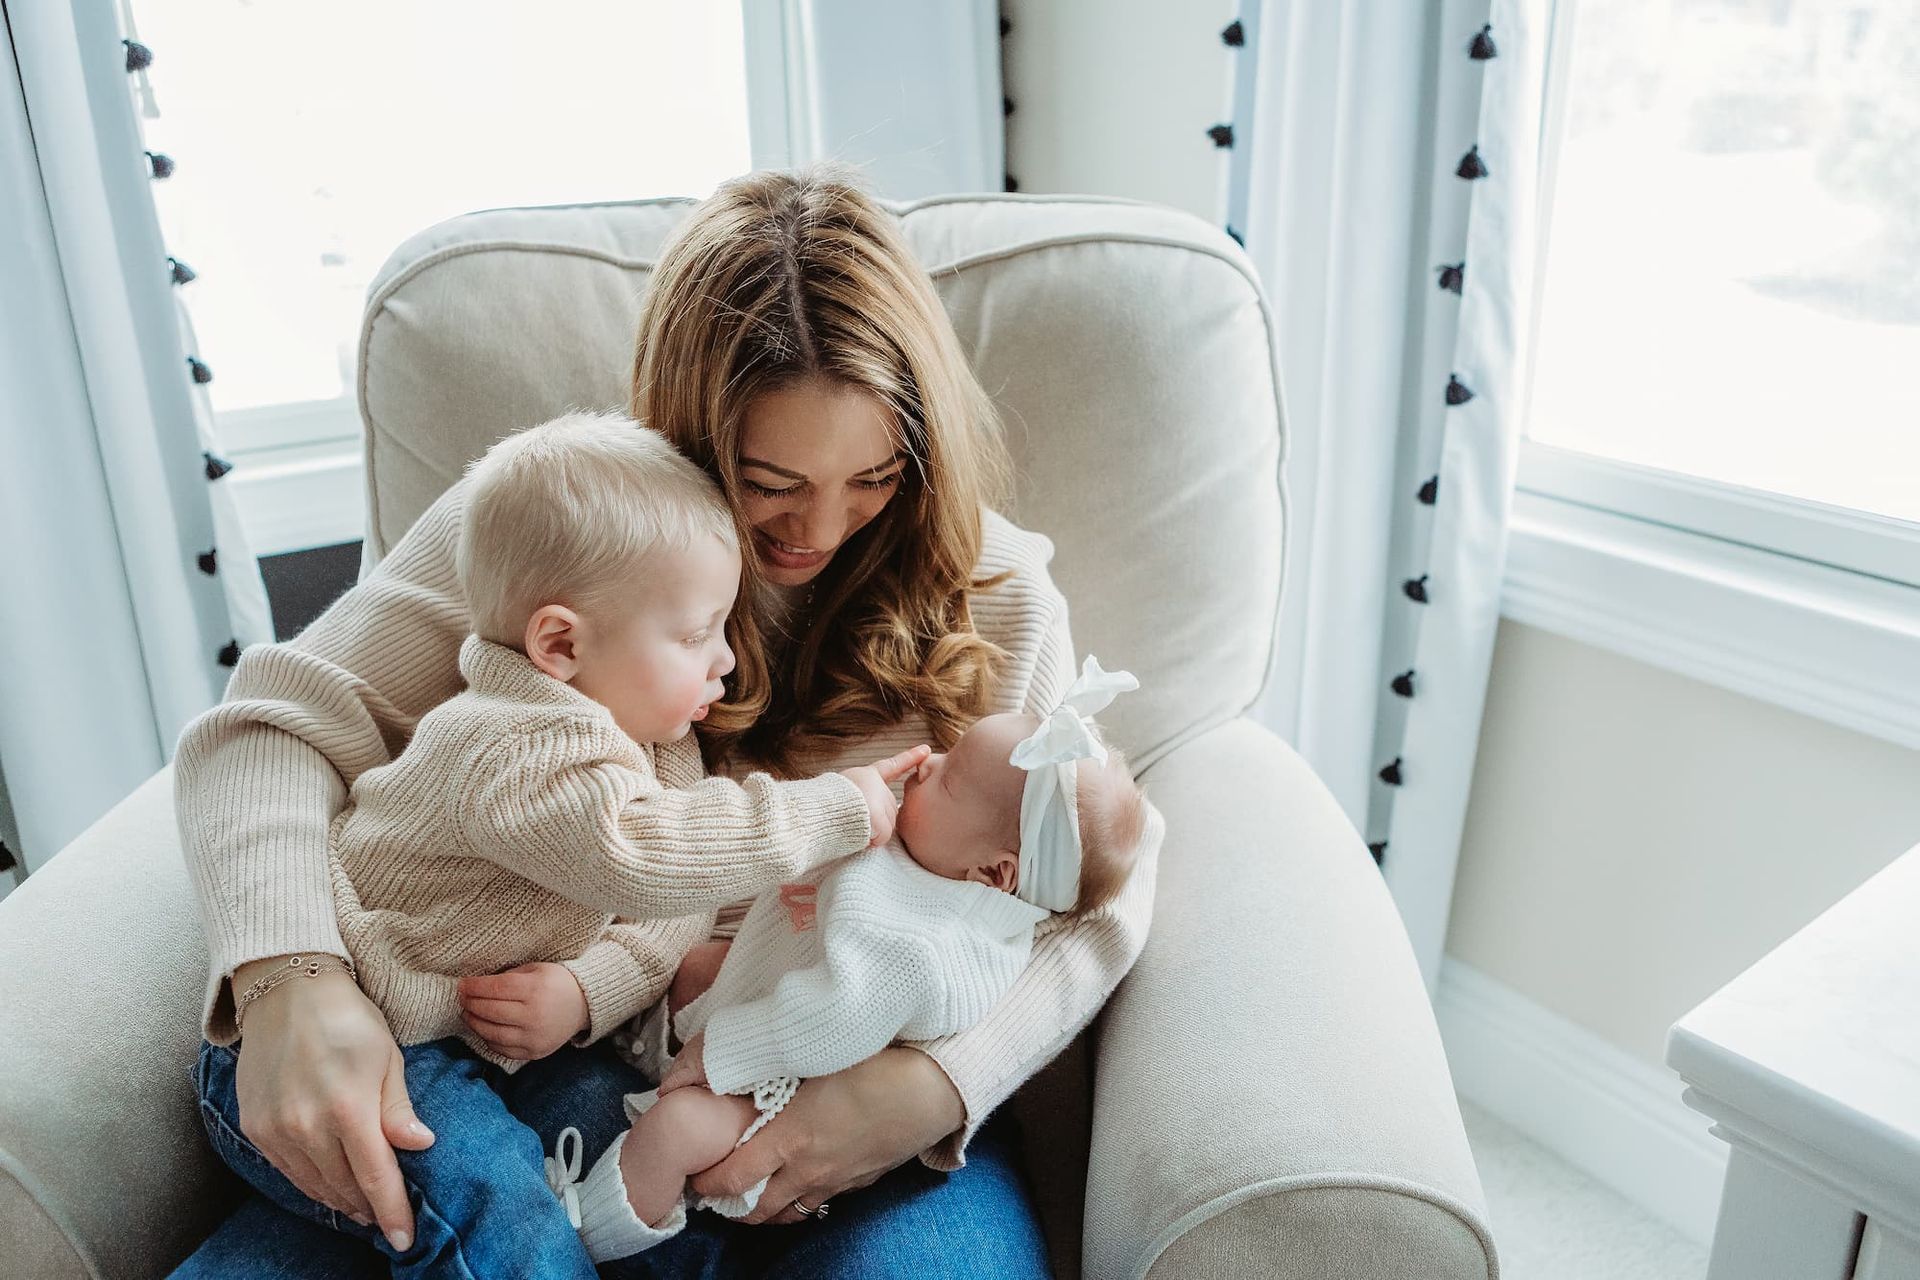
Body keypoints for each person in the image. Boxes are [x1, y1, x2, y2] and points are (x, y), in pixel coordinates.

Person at [169, 166, 1160, 1279]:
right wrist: (289, 976)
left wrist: (927, 1086)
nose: (820, 530)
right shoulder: (560, 524)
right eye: (769, 479)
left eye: (875, 475)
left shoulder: (999, 596)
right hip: (534, 1061)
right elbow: (268, 725)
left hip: (838, 1085)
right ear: (688, 431)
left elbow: (1095, 879)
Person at [184, 412, 931, 1277]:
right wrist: (834, 809)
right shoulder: (516, 744)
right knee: (504, 1214)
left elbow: (677, 905)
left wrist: (587, 990)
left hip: (484, 1049)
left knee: (653, 1180)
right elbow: (646, 855)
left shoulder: (655, 739)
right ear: (561, 644)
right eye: (697, 636)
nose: (726, 663)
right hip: (367, 1051)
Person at [586, 663, 1147, 1255]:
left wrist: (727, 1049)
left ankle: (595, 1229)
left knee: (671, 1134)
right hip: (781, 1014)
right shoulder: (948, 876)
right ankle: (647, 1050)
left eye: (950, 779)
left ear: (993, 871)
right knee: (700, 968)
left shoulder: (917, 947)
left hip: (786, 1084)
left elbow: (830, 1018)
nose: (926, 761)